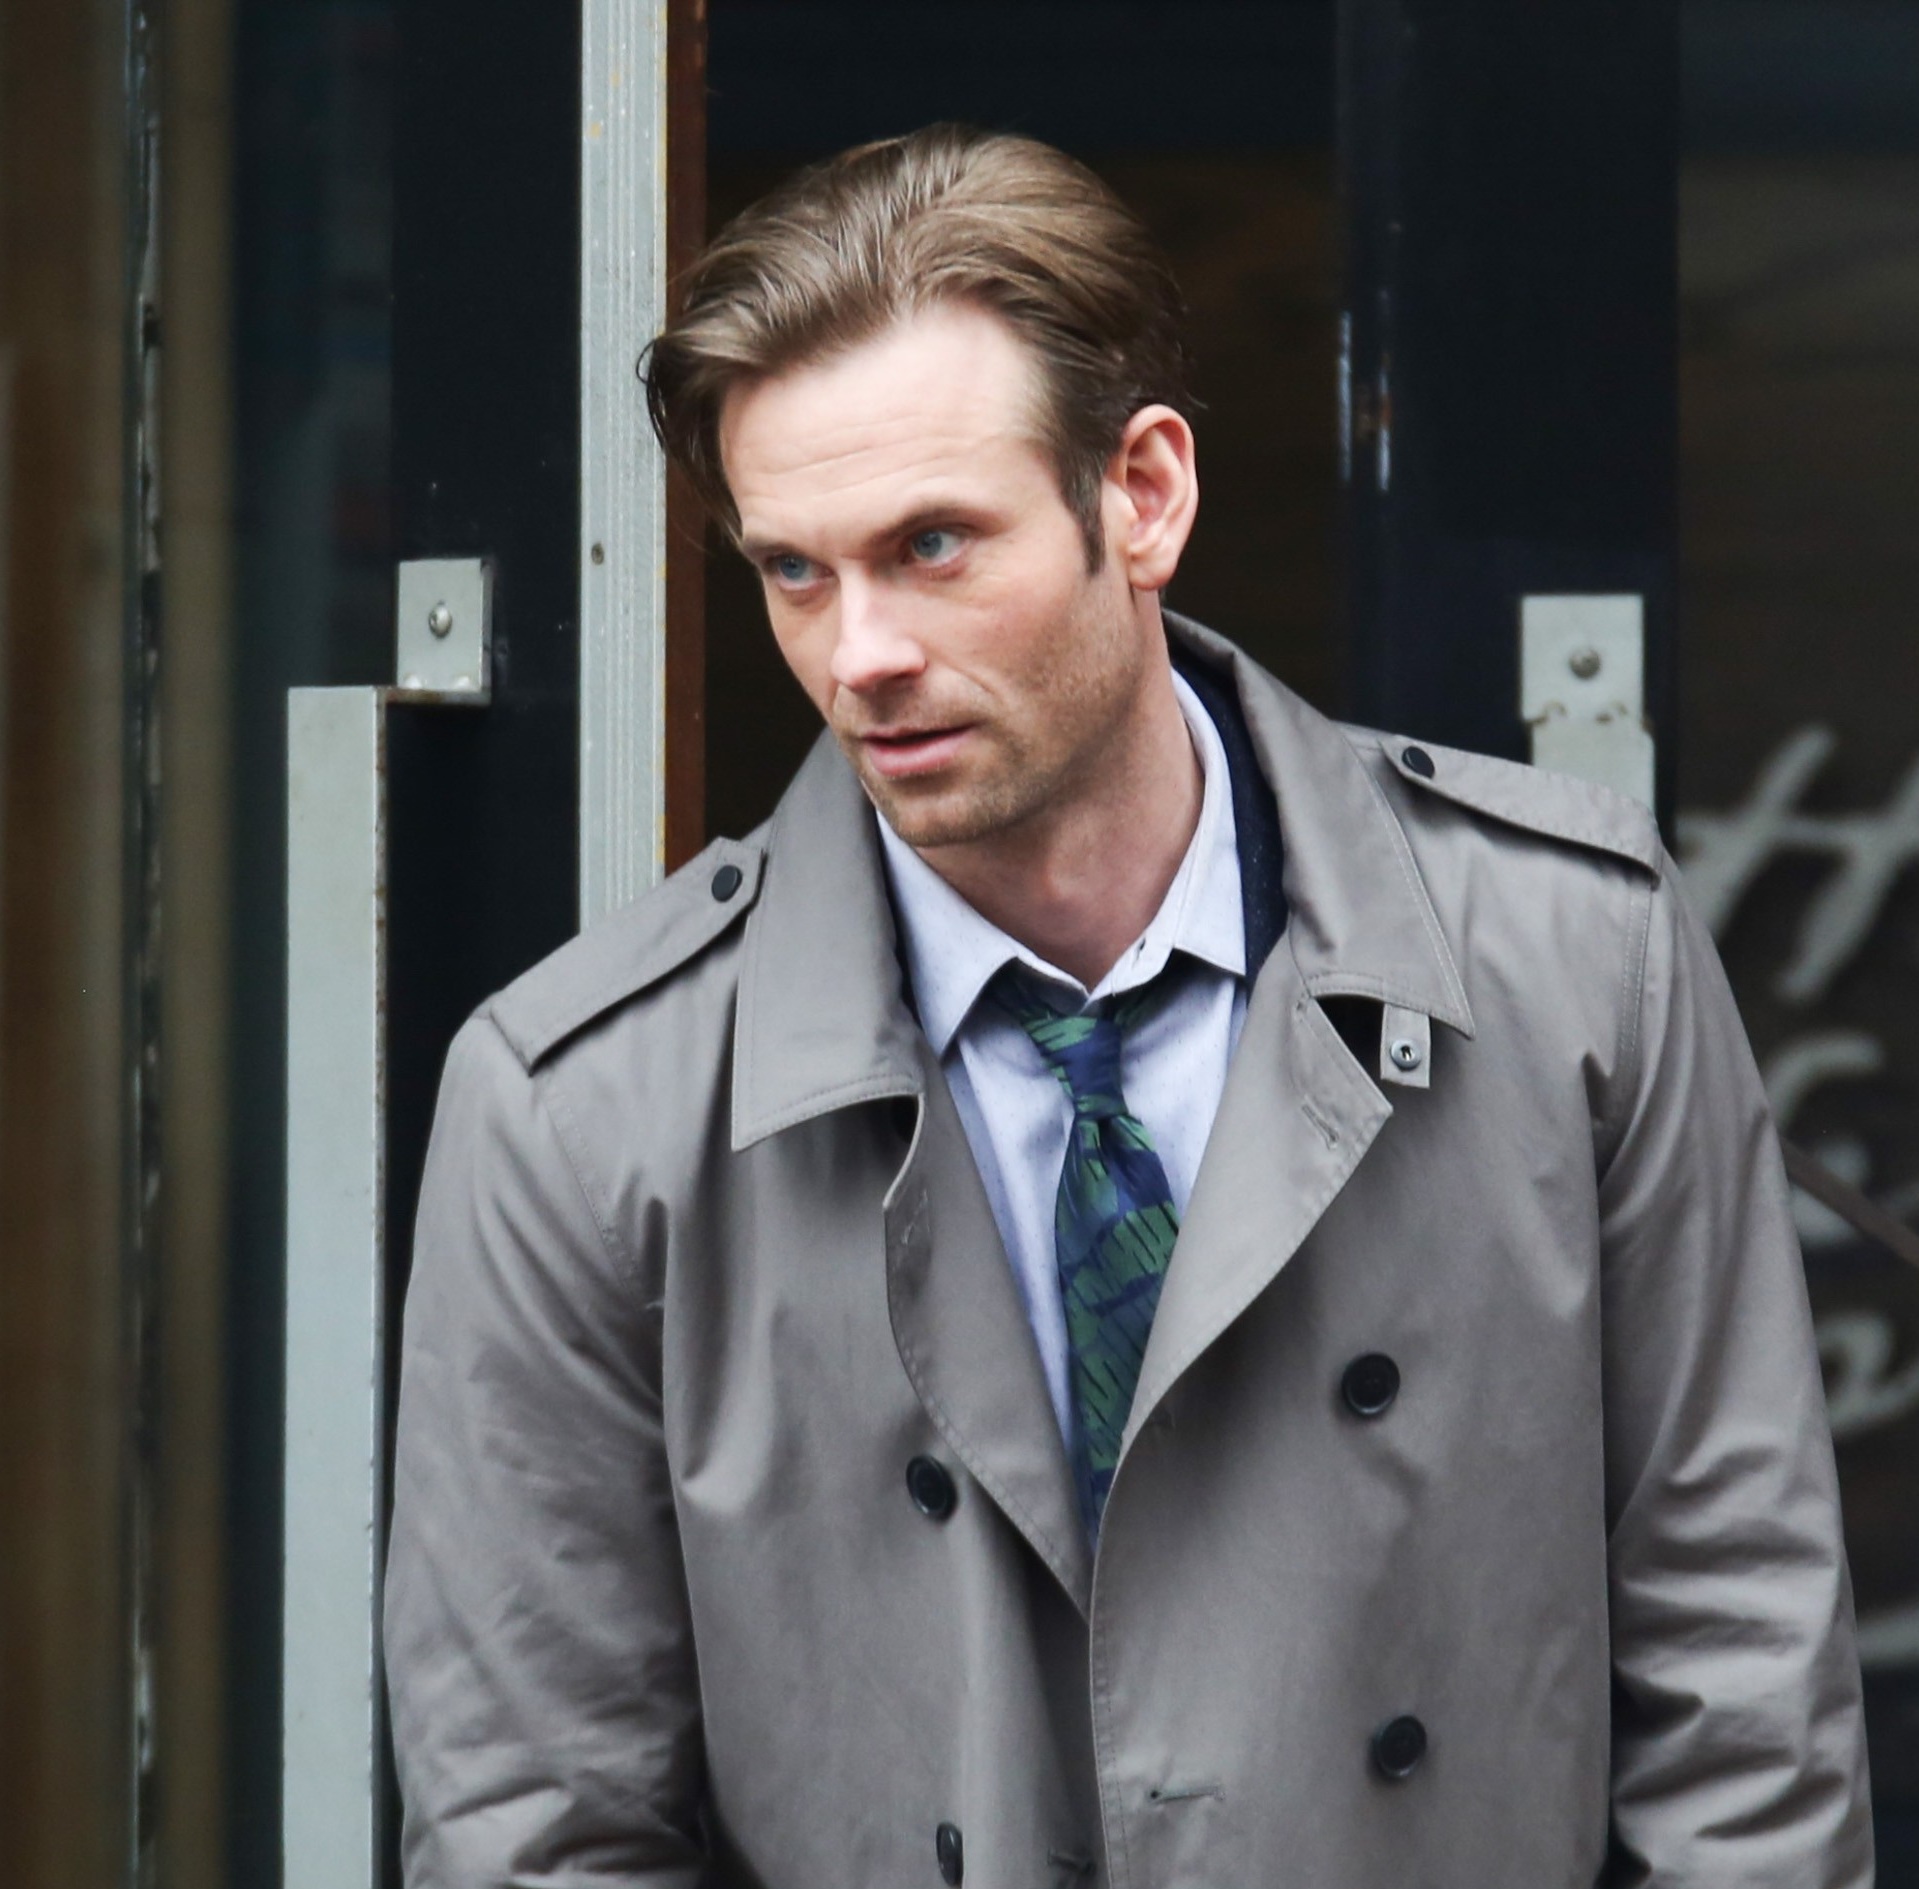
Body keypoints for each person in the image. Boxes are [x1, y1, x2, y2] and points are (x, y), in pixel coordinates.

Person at [383, 125, 1872, 1887]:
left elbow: (1741, 1694)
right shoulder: (582, 1107)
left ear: (1144, 495)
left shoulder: (1570, 955)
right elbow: (540, 1823)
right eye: (794, 569)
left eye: (934, 543)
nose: (859, 654)